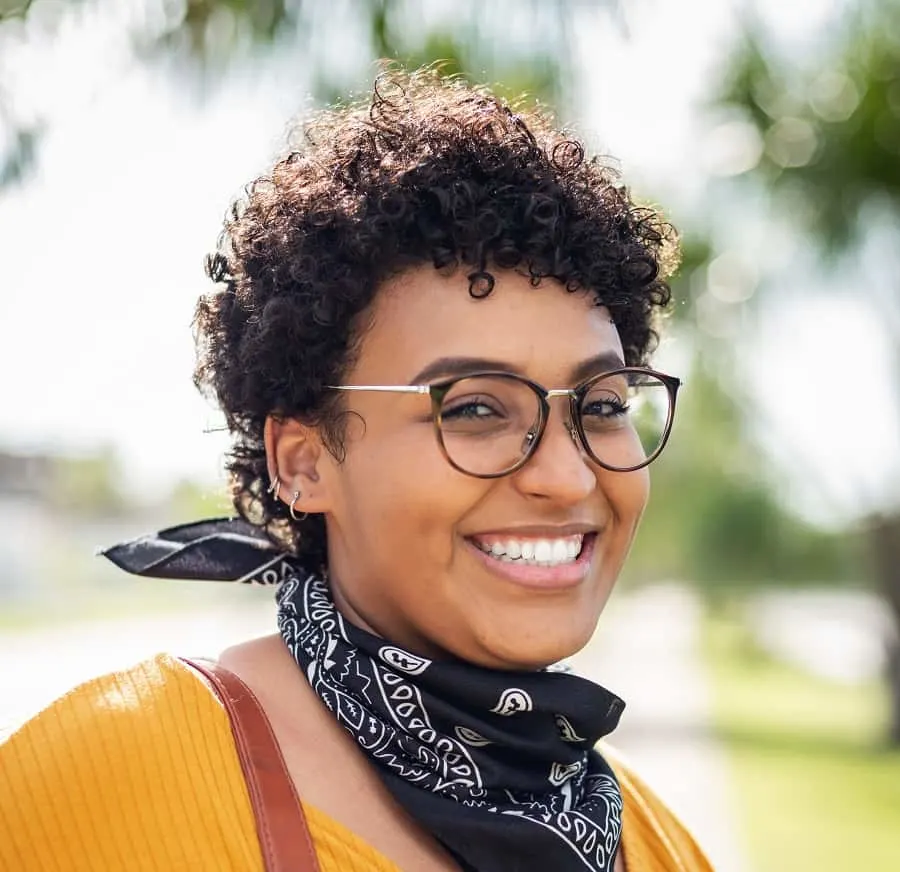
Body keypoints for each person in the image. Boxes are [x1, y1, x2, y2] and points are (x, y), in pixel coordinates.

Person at [0, 67, 712, 872]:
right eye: (474, 408)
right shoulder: (114, 783)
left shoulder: (658, 846)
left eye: (602, 406)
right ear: (304, 461)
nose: (567, 477)